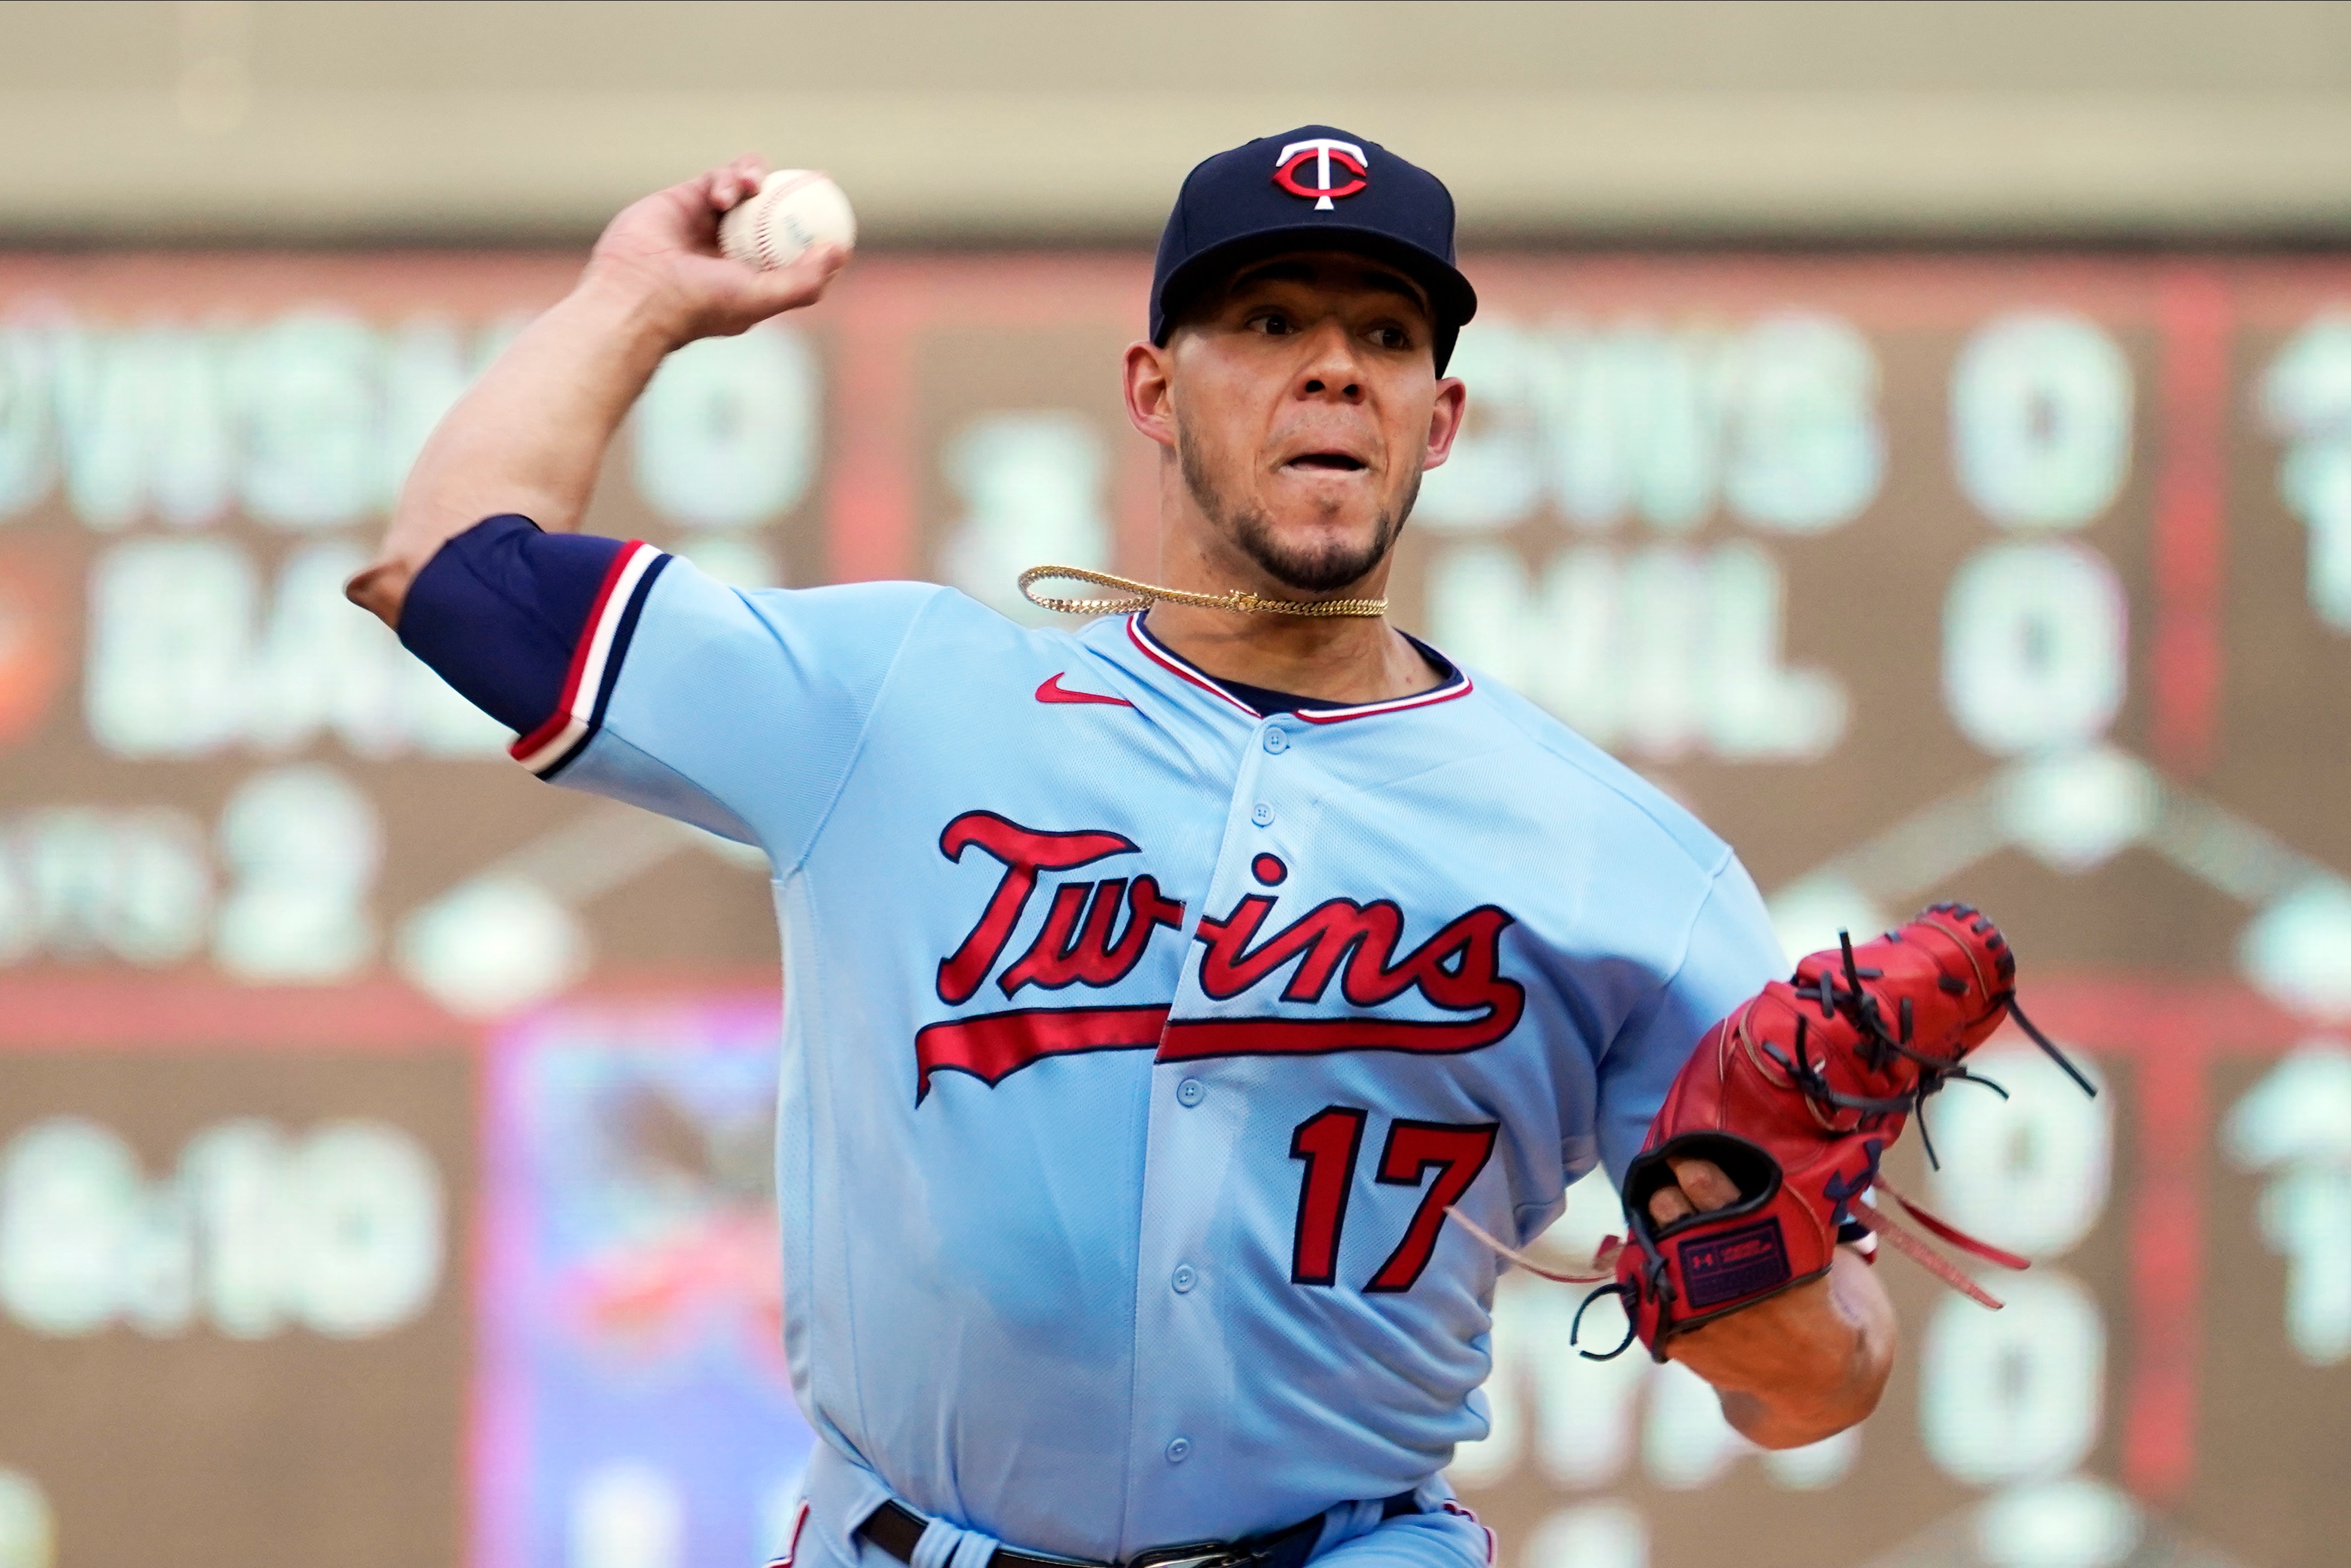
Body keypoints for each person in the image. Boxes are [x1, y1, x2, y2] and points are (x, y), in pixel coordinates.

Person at [349, 126, 1893, 1568]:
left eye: (1387, 336)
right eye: (1271, 321)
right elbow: (455, 571)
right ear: (1154, 390)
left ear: (1444, 417)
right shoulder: (901, 703)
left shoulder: (1626, 867)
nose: (1334, 372)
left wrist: (1762, 1281)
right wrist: (631, 302)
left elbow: (1813, 1390)